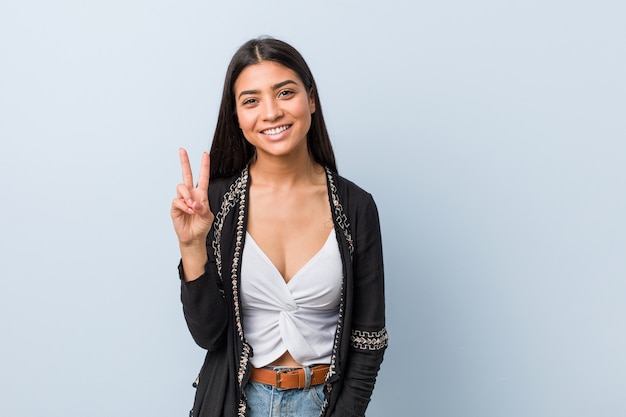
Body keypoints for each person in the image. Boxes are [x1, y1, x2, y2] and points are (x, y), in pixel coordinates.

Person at [170, 37, 387, 417]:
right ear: (237, 116)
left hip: (322, 404)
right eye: (251, 101)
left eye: (285, 93)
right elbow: (208, 336)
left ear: (311, 99)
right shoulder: (217, 203)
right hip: (232, 403)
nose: (270, 112)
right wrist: (192, 247)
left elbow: (368, 341)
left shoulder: (356, 207)